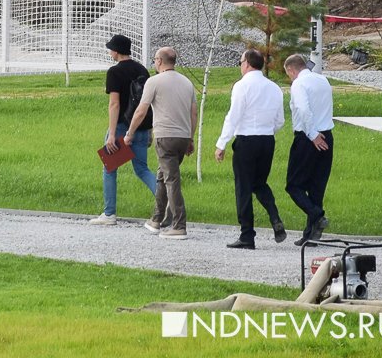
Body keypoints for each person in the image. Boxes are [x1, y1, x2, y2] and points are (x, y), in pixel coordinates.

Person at [214, 49, 287, 249]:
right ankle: (274, 216)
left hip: (247, 140)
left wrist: (222, 143)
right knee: (260, 183)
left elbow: (233, 115)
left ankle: (247, 235)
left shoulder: (242, 86)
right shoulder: (274, 88)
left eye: (240, 62)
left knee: (244, 187)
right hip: (267, 140)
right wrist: (266, 130)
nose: (240, 65)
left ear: (247, 63)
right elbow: (280, 120)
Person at [125, 47, 197, 240]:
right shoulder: (187, 82)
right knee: (162, 175)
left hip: (165, 136)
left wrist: (130, 133)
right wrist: (190, 138)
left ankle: (179, 225)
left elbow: (141, 110)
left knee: (171, 179)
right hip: (182, 136)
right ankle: (156, 219)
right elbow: (194, 113)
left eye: (155, 59)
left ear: (159, 61)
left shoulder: (154, 81)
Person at [89, 34, 156, 226]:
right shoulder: (142, 69)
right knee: (142, 169)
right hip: (142, 126)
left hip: (120, 127)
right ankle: (166, 203)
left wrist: (112, 134)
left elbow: (114, 104)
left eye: (111, 49)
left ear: (116, 51)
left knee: (110, 167)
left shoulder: (114, 72)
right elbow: (147, 102)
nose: (110, 52)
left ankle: (109, 214)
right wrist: (149, 129)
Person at [283, 54, 334, 247]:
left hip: (307, 137)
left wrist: (312, 134)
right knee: (316, 186)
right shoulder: (322, 79)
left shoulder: (298, 84)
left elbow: (303, 110)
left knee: (294, 185)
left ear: (291, 69)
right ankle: (310, 234)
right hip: (327, 135)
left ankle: (317, 216)